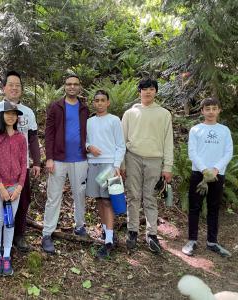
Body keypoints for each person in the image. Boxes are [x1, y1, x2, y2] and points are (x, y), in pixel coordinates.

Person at [0, 70, 40, 252]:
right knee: (0, 203)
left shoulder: (28, 112)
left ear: (21, 89)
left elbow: (33, 138)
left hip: (21, 167)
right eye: (11, 84)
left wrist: (36, 162)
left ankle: (18, 235)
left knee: (22, 200)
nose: (14, 88)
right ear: (4, 88)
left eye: (18, 85)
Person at [121, 78, 173, 254]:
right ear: (139, 92)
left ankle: (152, 234)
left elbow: (168, 142)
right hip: (133, 157)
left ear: (156, 92)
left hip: (155, 159)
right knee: (133, 195)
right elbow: (122, 140)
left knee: (150, 197)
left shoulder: (164, 114)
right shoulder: (130, 113)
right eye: (144, 89)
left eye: (151, 89)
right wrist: (121, 163)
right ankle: (132, 231)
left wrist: (168, 167)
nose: (148, 92)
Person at [41, 74, 90, 254]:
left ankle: (80, 226)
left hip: (80, 159)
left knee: (80, 194)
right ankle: (47, 233)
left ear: (79, 87)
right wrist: (49, 158)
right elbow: (49, 133)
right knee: (53, 197)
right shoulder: (56, 107)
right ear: (64, 86)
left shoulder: (84, 108)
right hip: (59, 160)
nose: (71, 87)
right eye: (68, 84)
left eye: (75, 84)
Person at [182, 97, 233, 257]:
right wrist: (205, 170)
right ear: (202, 111)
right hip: (199, 174)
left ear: (219, 110)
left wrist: (216, 169)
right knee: (195, 207)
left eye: (214, 108)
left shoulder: (224, 130)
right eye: (207, 108)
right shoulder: (196, 129)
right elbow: (193, 152)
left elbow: (228, 152)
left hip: (218, 174)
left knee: (213, 207)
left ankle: (212, 242)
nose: (211, 111)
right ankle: (192, 240)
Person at [0, 101, 27, 276]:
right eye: (8, 113)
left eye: (14, 113)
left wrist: (19, 187)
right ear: (1, 115)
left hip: (15, 187)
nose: (11, 116)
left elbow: (24, 163)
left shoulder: (20, 137)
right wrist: (1, 187)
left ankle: (7, 255)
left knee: (10, 221)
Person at [85, 90, 126, 259]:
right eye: (97, 100)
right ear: (93, 103)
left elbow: (120, 145)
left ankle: (109, 240)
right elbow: (85, 141)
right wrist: (89, 147)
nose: (100, 103)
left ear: (108, 102)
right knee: (99, 200)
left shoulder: (114, 120)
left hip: (109, 166)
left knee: (108, 201)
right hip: (93, 164)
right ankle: (105, 230)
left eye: (103, 100)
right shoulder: (89, 122)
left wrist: (116, 165)